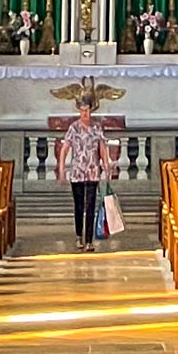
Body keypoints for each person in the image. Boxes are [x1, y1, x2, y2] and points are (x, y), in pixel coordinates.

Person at [56, 95, 113, 251]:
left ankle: (89, 240)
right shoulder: (74, 128)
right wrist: (61, 169)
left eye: (87, 111)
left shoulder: (96, 127)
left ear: (91, 111)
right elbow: (65, 149)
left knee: (90, 205)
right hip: (77, 172)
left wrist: (106, 164)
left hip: (93, 171)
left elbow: (102, 147)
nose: (84, 114)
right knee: (79, 206)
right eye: (82, 111)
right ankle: (78, 236)